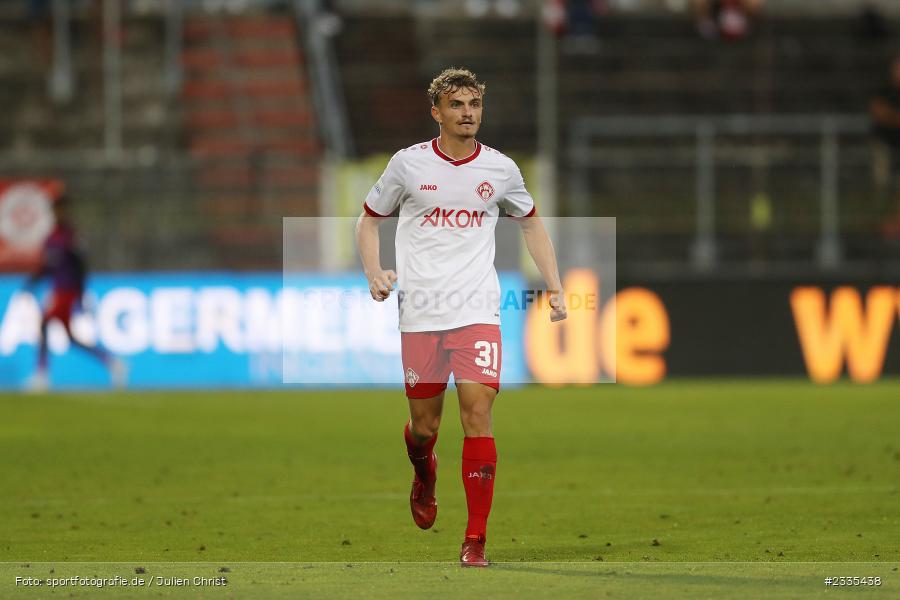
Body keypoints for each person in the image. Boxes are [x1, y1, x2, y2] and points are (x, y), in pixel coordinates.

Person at [355, 68, 567, 567]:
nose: (467, 113)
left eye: (474, 104)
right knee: (424, 425)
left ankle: (475, 540)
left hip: (477, 309)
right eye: (456, 104)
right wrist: (374, 272)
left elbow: (531, 225)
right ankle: (423, 469)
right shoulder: (408, 164)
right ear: (437, 111)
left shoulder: (501, 169)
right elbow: (368, 221)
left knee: (477, 413)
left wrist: (555, 286)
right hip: (422, 312)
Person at [25, 196, 126, 391]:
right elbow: (48, 266)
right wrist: (33, 281)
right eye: (56, 210)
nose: (58, 213)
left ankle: (41, 374)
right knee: (71, 339)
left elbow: (81, 266)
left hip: (68, 291)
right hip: (57, 290)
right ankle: (112, 362)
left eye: (61, 209)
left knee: (44, 323)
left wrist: (81, 293)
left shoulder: (70, 237)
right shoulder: (51, 238)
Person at [870, 56, 900, 231]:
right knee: (882, 184)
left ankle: (896, 222)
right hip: (885, 144)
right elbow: (878, 112)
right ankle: (881, 222)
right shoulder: (884, 90)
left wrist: (891, 116)